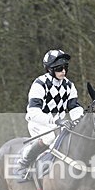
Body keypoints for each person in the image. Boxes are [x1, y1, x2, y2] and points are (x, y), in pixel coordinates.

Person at [15, 49, 84, 178]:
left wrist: (79, 120)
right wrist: (55, 121)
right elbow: (33, 113)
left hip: (59, 125)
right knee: (49, 138)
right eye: (59, 68)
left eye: (65, 67)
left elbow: (74, 107)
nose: (63, 71)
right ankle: (23, 163)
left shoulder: (69, 86)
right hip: (39, 124)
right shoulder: (40, 84)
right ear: (49, 69)